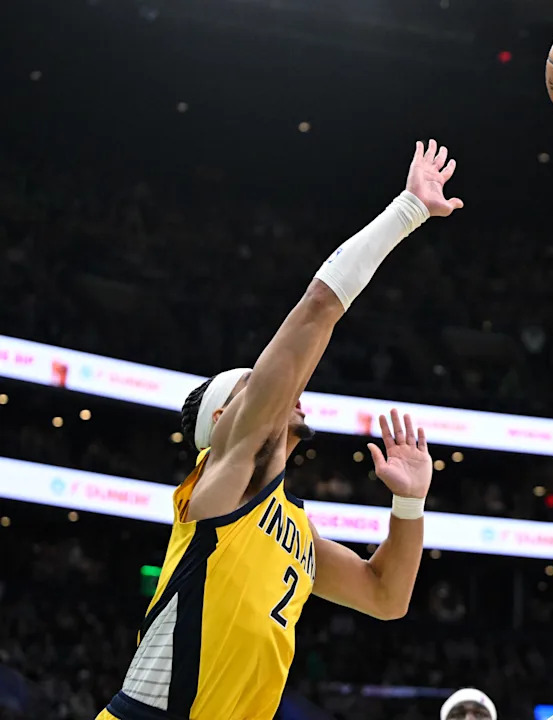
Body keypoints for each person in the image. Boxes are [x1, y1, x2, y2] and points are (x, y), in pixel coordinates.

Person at [96, 139, 464, 720]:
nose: (281, 386)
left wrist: (410, 505)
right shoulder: (221, 480)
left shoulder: (291, 529)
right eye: (255, 385)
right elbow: (318, 308)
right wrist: (408, 210)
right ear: (225, 421)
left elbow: (385, 596)